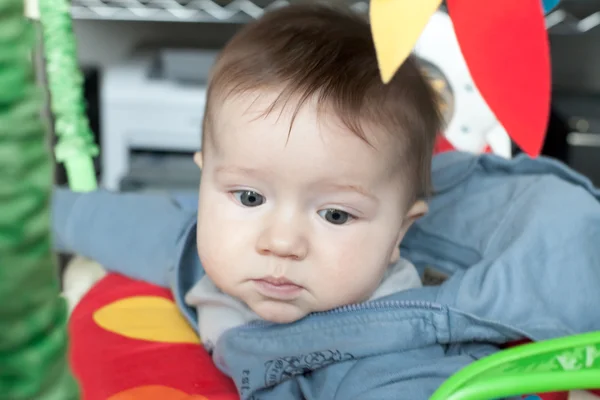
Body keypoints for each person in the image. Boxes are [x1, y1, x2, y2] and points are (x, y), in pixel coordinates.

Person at [53, 4, 600, 399]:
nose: (281, 242)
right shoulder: (196, 244)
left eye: (335, 214)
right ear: (206, 183)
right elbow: (99, 219)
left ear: (398, 234)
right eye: (248, 195)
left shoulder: (385, 364)